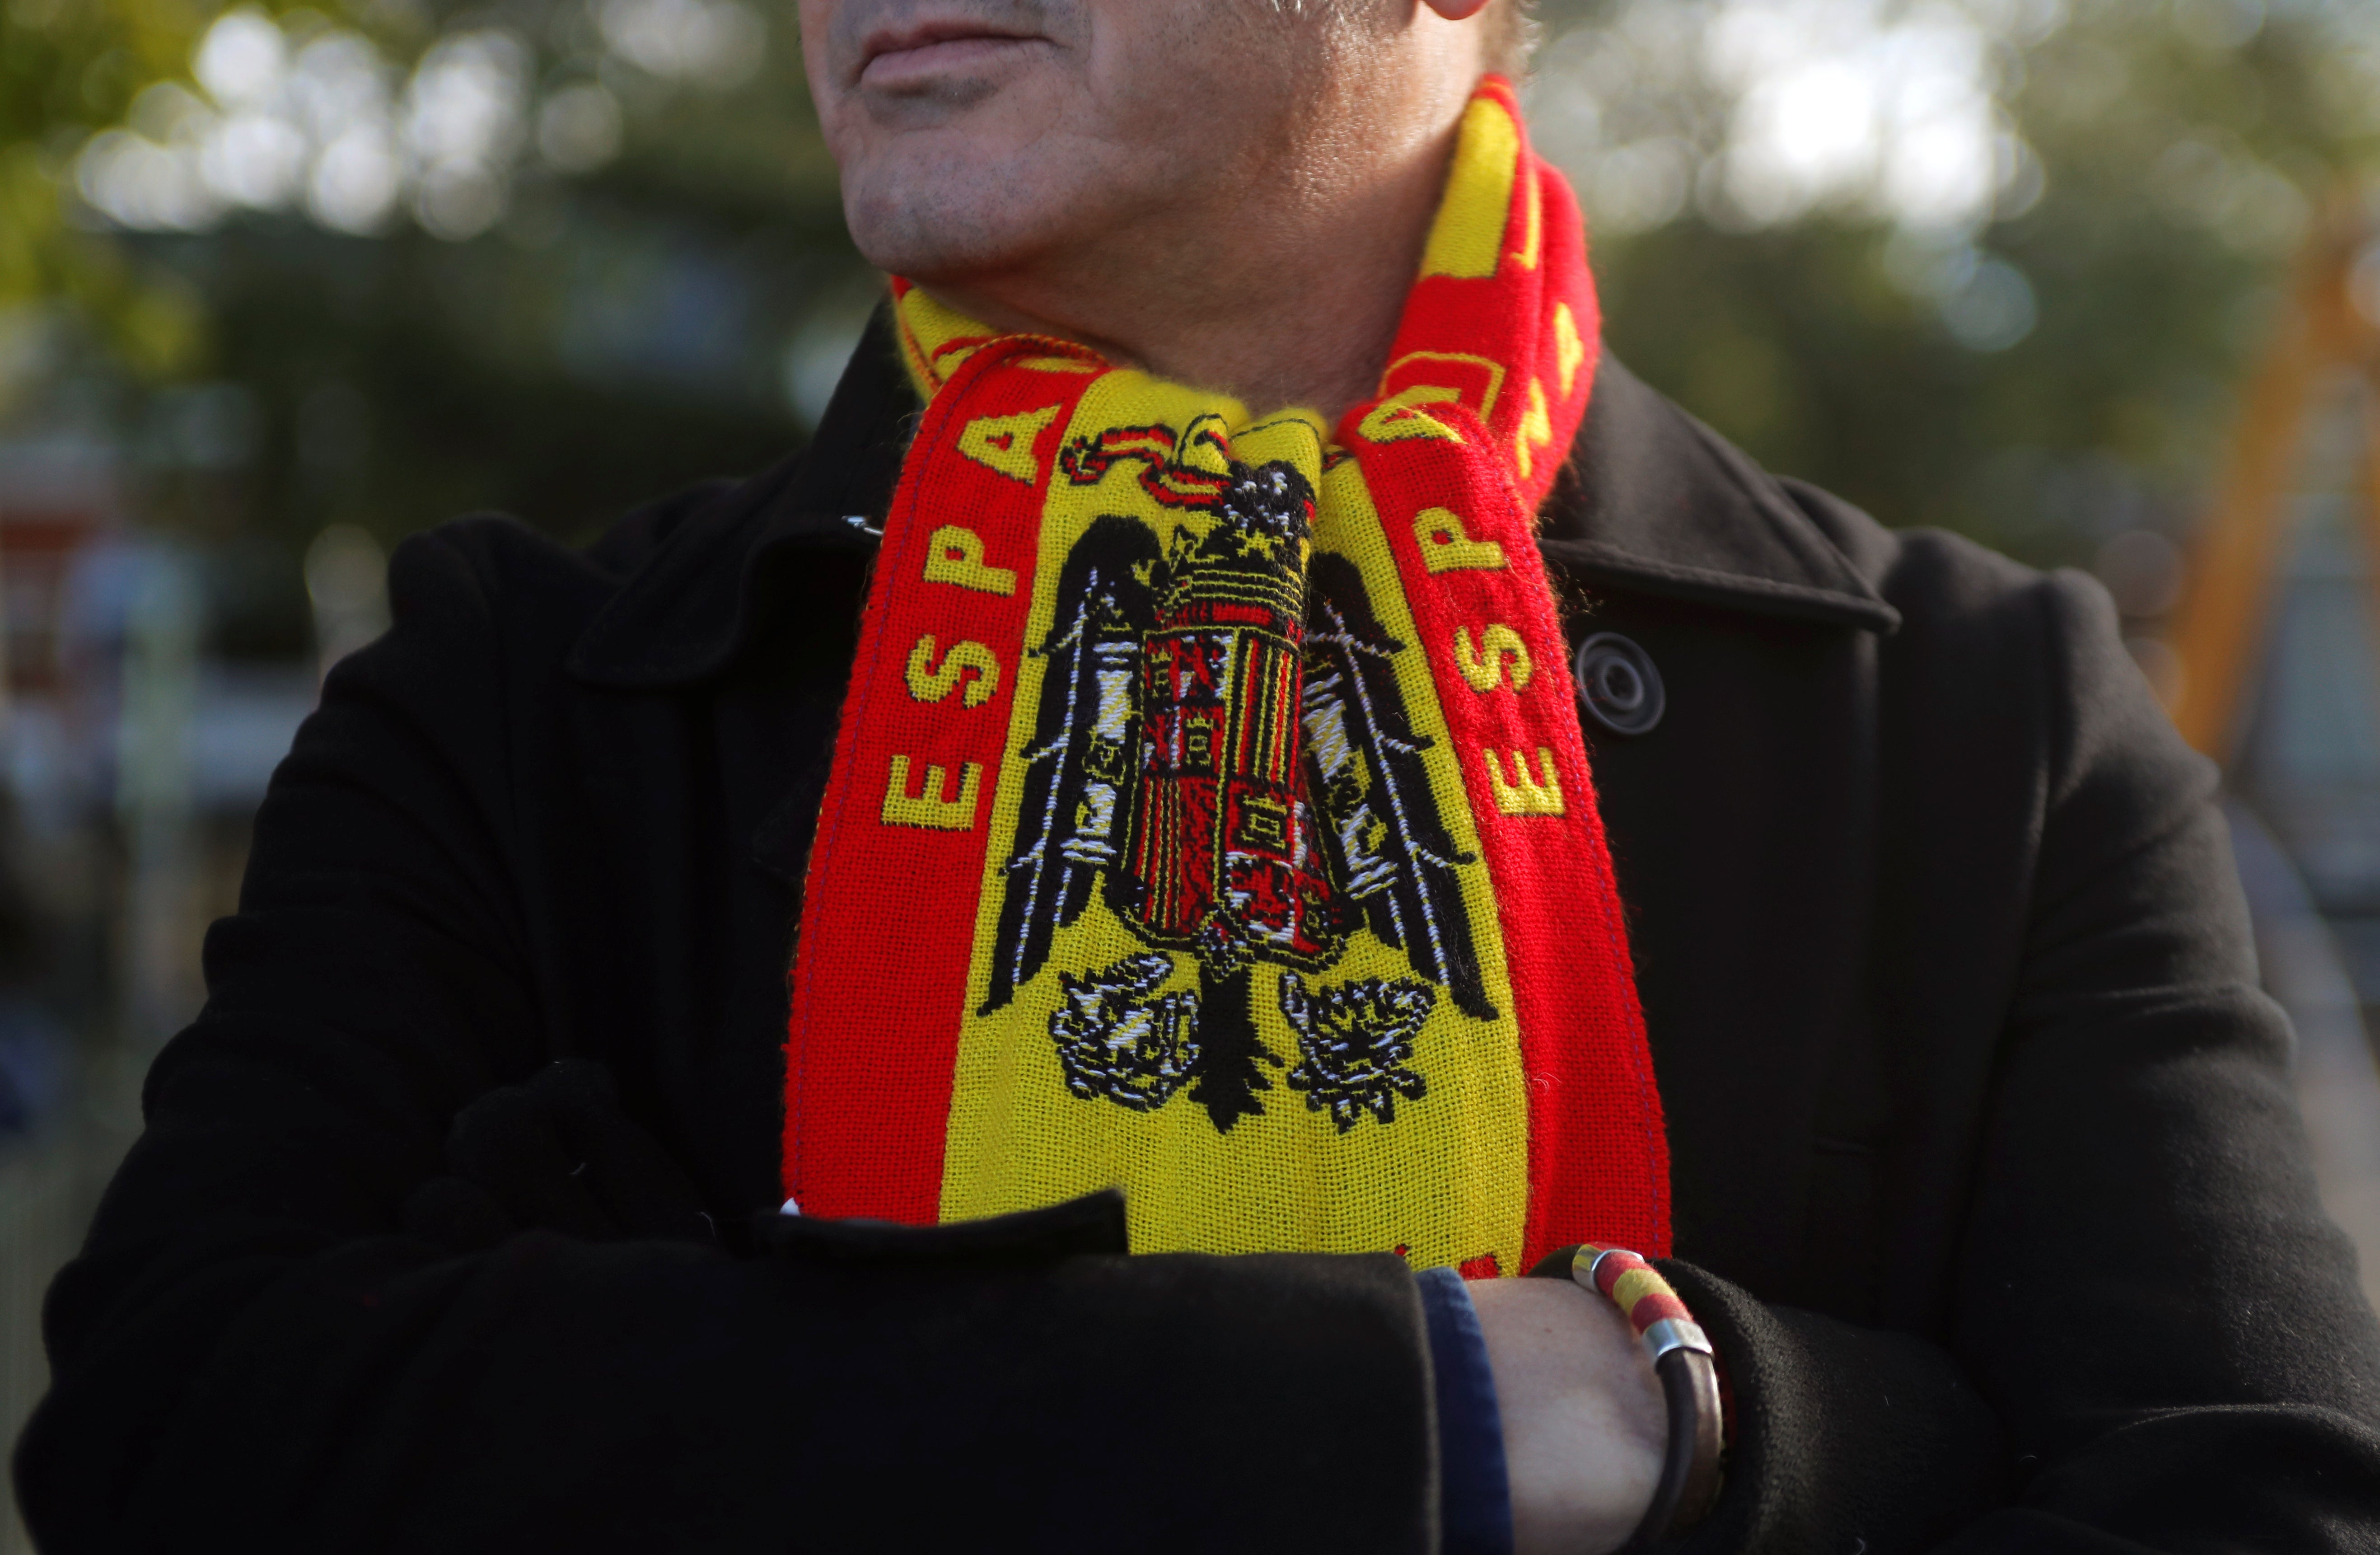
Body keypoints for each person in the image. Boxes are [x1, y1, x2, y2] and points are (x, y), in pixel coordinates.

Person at [15, 0, 2380, 1550]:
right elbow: (181, 1436)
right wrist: (1506, 1405)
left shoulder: (1982, 717)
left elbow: (2258, 1510)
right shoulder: (519, 694)